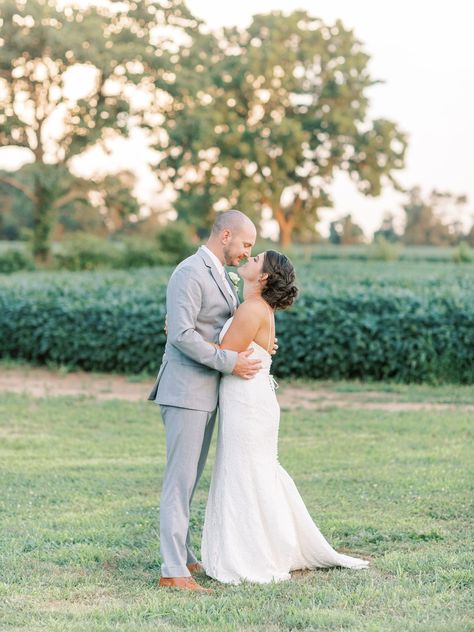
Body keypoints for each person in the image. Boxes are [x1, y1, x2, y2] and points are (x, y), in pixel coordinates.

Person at [201, 250, 370, 584]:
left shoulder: (252, 309)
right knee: (251, 472)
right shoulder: (254, 307)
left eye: (256, 259)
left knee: (245, 474)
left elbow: (223, 355)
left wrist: (181, 333)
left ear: (263, 276)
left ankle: (256, 553)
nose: (248, 258)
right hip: (248, 400)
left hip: (247, 404)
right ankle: (271, 544)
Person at [148, 209, 265, 593]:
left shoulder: (221, 273)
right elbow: (180, 334)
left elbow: (222, 326)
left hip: (205, 391)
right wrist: (229, 361)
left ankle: (183, 555)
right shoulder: (189, 272)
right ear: (226, 234)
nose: (248, 254)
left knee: (190, 478)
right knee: (179, 482)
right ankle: (171, 570)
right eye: (246, 244)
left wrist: (260, 343)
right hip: (185, 390)